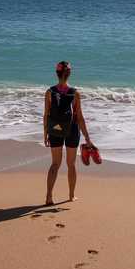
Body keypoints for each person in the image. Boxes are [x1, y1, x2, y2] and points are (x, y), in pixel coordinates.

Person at [43, 61, 94, 205]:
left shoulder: (50, 92)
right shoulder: (75, 92)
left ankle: (48, 197)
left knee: (55, 164)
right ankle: (71, 196)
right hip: (71, 130)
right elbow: (79, 117)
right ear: (69, 73)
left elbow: (46, 114)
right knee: (71, 164)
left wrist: (45, 133)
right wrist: (87, 138)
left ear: (56, 73)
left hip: (55, 130)